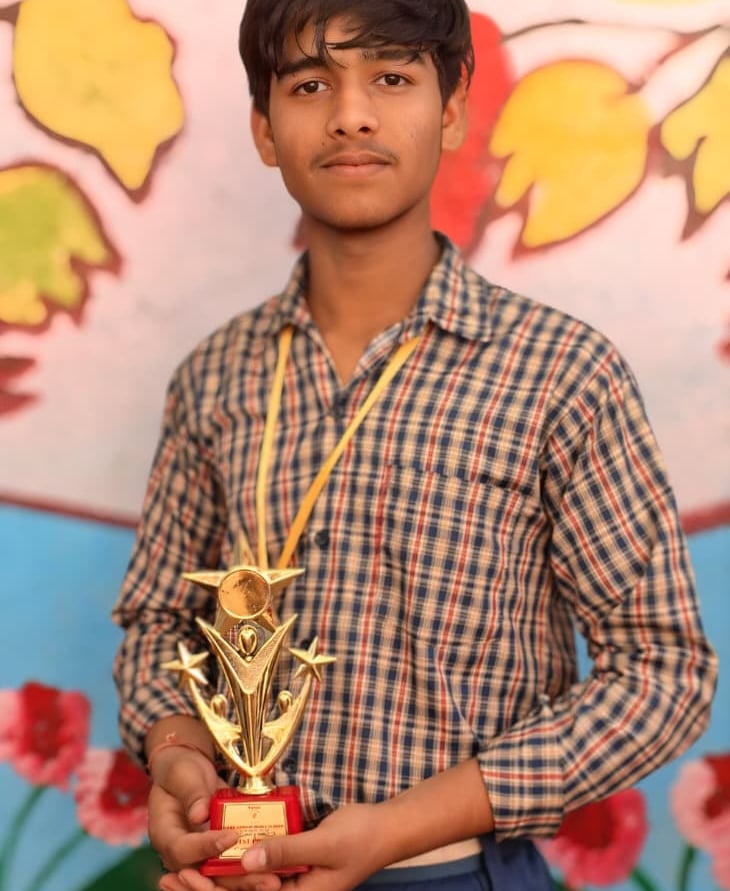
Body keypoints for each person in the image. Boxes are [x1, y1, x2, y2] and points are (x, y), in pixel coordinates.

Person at [112, 1, 718, 890]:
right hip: (245, 869)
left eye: (391, 78)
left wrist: (402, 827)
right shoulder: (216, 378)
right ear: (264, 128)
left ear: (453, 110)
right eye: (310, 85)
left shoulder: (560, 373)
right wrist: (178, 756)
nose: (352, 114)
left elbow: (664, 671)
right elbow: (158, 624)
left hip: (459, 871)